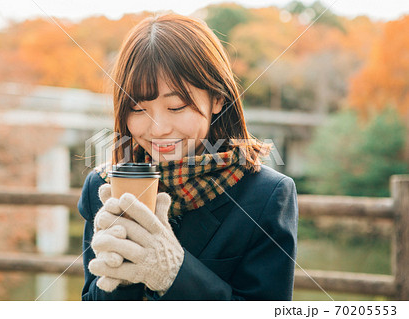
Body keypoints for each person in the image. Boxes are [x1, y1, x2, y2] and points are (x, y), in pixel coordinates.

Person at [77, 13, 298, 301]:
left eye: (177, 106)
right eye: (138, 108)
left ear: (218, 98)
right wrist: (121, 274)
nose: (158, 128)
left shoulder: (267, 195)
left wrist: (172, 272)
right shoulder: (103, 187)